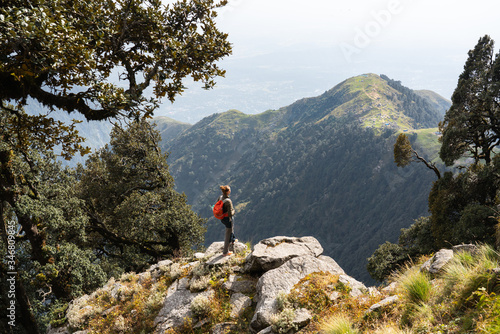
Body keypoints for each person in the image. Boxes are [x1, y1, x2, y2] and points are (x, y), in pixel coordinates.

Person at [217, 185, 235, 256]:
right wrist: (234, 211)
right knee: (228, 233)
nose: (230, 190)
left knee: (230, 230)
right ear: (228, 192)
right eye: (229, 190)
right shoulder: (228, 201)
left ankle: (233, 240)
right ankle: (225, 252)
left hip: (222, 218)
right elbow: (231, 214)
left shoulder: (220, 197)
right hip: (228, 219)